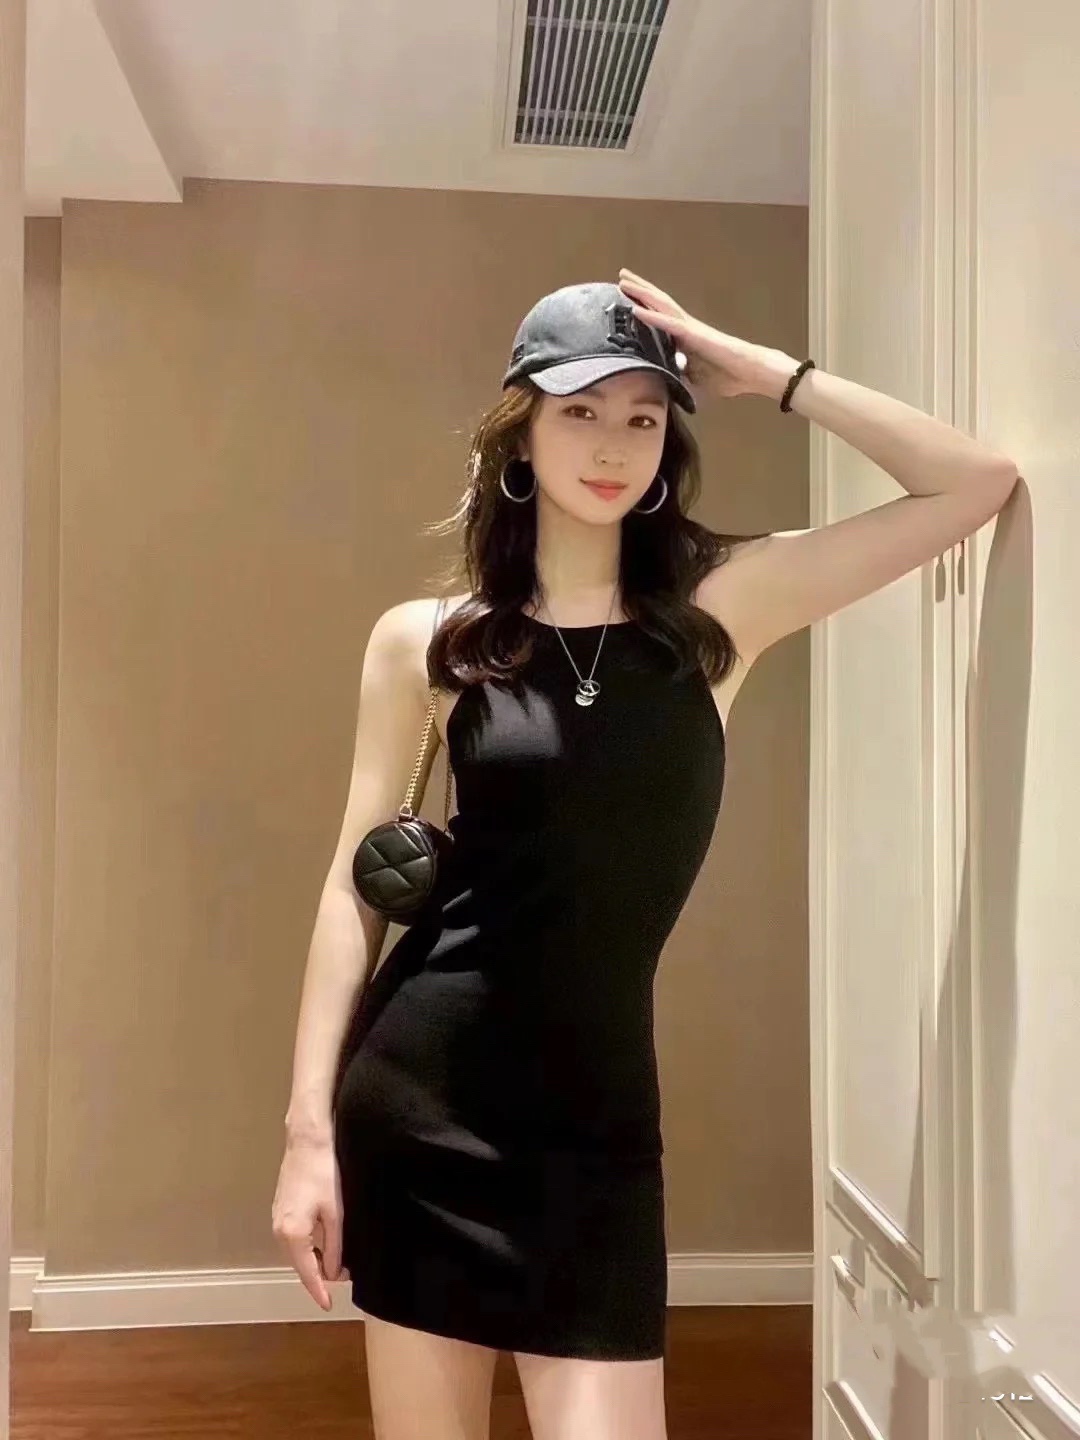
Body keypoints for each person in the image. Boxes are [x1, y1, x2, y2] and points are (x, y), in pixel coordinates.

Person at [271, 277, 1018, 1440]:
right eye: (579, 411)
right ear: (520, 430)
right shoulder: (431, 642)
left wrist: (767, 373)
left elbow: (974, 485)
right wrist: (307, 1136)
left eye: (644, 415)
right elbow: (350, 894)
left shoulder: (718, 611)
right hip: (418, 1104)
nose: (613, 444)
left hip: (598, 1129)